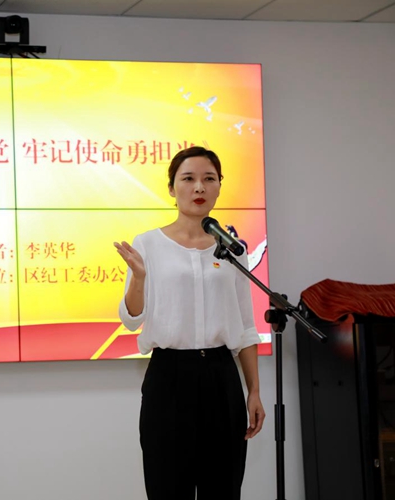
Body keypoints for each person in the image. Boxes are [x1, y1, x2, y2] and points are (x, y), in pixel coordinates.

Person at [113, 146, 265, 500]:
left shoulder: (233, 250)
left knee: (223, 487)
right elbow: (131, 319)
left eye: (209, 179)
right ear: (172, 188)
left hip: (221, 375)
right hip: (169, 376)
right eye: (189, 179)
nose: (199, 187)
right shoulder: (148, 244)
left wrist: (254, 391)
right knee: (168, 487)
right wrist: (139, 278)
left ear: (219, 186)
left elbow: (245, 327)